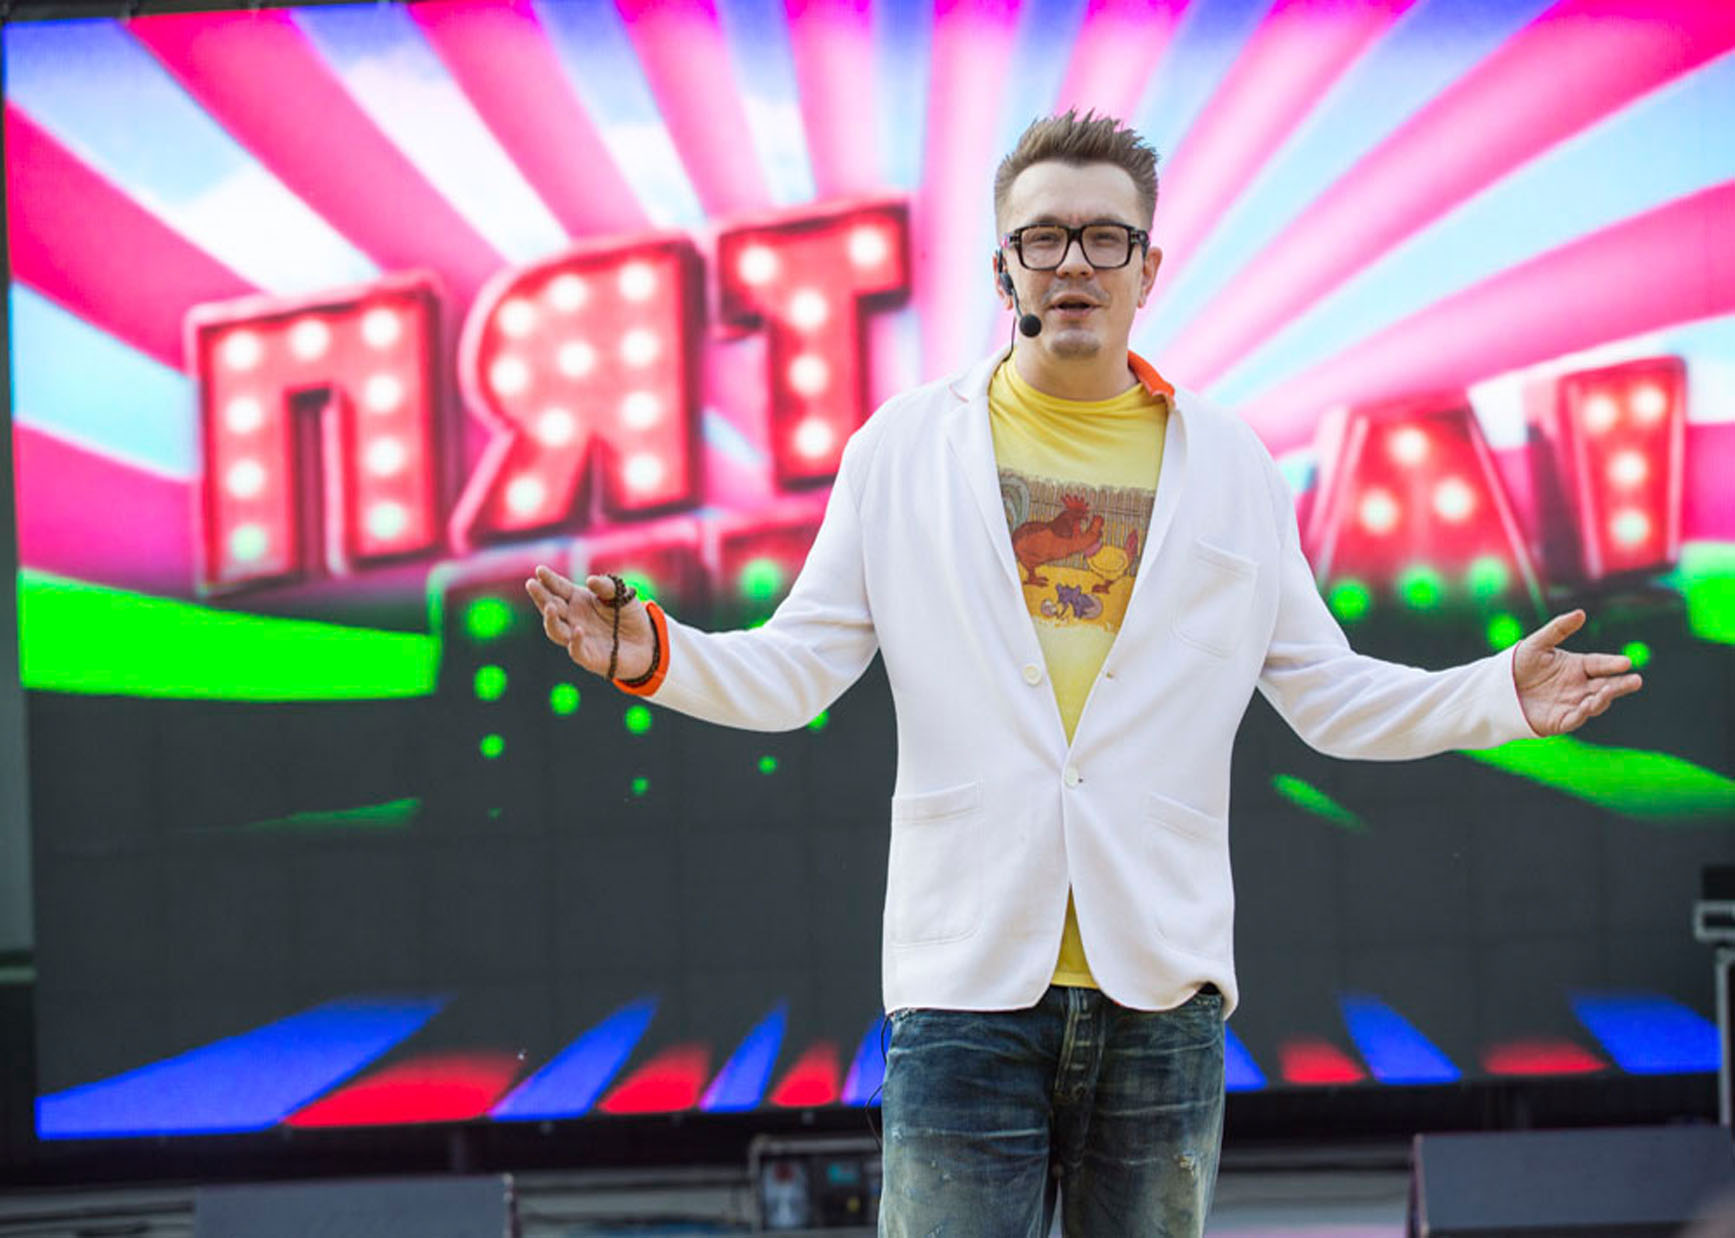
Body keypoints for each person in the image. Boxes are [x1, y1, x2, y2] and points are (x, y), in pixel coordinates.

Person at [526, 111, 1643, 1237]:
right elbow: (798, 668)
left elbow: (1328, 695)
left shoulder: (1231, 465)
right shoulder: (900, 450)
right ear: (1001, 268)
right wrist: (653, 651)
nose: (1074, 263)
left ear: (1147, 269)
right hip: (964, 980)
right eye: (1043, 237)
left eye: (1105, 238)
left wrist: (1495, 694)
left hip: (1158, 980)